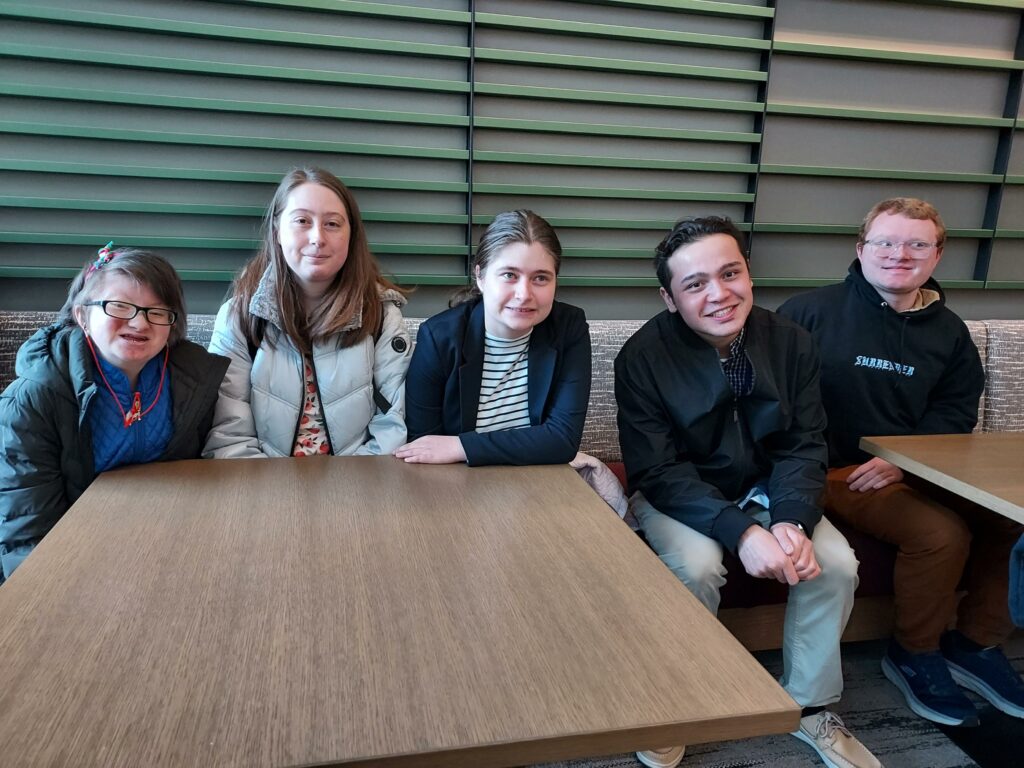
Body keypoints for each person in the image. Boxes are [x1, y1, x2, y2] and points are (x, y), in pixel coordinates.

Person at [615, 217, 879, 768]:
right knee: (696, 565)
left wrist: (790, 521)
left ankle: (808, 706)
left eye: (730, 272)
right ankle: (675, 703)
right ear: (669, 298)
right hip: (681, 494)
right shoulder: (641, 357)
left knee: (833, 563)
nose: (719, 294)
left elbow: (805, 443)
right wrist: (742, 532)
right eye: (695, 284)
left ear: (749, 274)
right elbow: (658, 469)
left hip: (770, 489)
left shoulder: (792, 342)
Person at [779, 197, 1024, 727]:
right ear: (861, 248)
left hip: (916, 468)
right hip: (832, 469)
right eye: (886, 242)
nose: (899, 254)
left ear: (936, 256)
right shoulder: (806, 313)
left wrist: (904, 463)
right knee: (940, 533)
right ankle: (914, 653)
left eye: (917, 244)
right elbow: (779, 405)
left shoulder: (951, 333)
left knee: (1013, 520)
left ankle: (975, 645)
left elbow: (956, 413)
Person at [0, 245, 229, 583]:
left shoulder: (195, 380)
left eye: (156, 311)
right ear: (82, 315)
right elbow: (26, 529)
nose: (139, 322)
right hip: (73, 562)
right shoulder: (35, 397)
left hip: (168, 554)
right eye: (119, 306)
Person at [203, 167, 412, 458]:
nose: (317, 238)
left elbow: (394, 427)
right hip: (261, 487)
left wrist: (353, 493)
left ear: (351, 235)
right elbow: (229, 436)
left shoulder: (382, 317)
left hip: (361, 487)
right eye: (302, 221)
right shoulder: (239, 316)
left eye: (333, 224)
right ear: (277, 232)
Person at [395, 209, 592, 469]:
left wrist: (460, 445)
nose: (524, 294)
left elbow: (562, 439)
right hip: (456, 484)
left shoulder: (570, 328)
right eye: (509, 275)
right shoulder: (439, 338)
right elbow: (424, 446)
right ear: (481, 277)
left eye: (540, 278)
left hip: (542, 482)